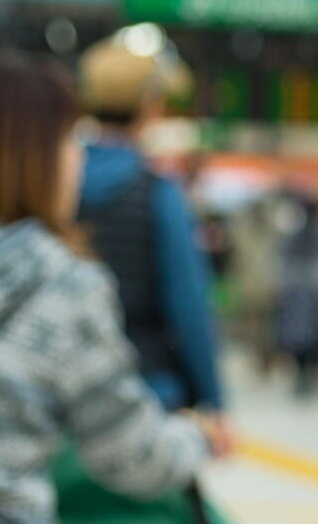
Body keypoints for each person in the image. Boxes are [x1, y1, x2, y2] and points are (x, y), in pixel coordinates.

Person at [0, 53, 214, 524]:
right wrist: (204, 427)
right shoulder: (64, 280)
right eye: (70, 144)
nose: (78, 161)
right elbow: (189, 306)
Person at [72, 34, 231, 450]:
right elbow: (188, 304)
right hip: (147, 394)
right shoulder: (157, 192)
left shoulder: (56, 183)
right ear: (150, 105)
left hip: (64, 396)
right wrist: (213, 402)